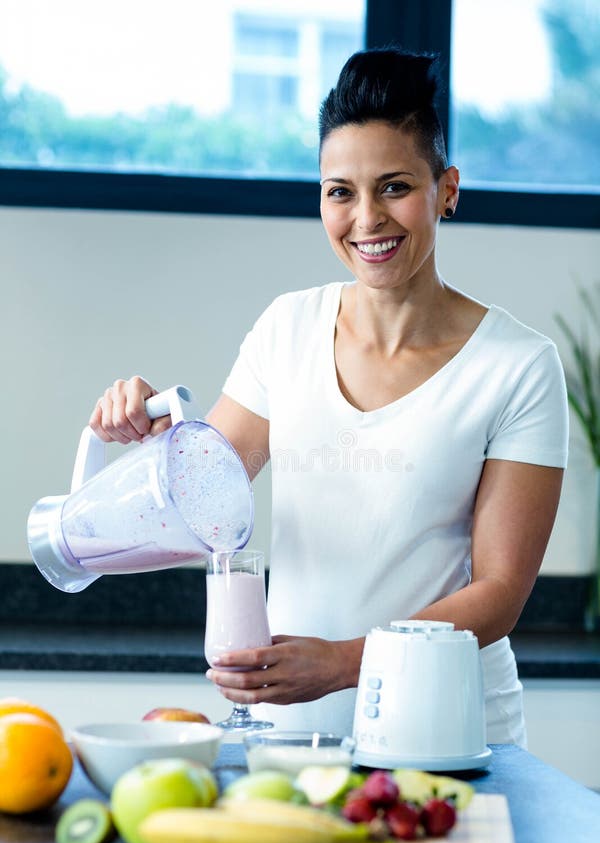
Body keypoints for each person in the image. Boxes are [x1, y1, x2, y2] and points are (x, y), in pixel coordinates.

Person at [90, 48, 568, 746]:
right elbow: (202, 499)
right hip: (288, 738)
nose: (367, 219)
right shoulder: (288, 328)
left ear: (448, 189)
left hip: (451, 736)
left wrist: (345, 663)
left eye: (395, 186)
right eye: (340, 191)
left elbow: (500, 594)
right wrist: (141, 431)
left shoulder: (519, 367)